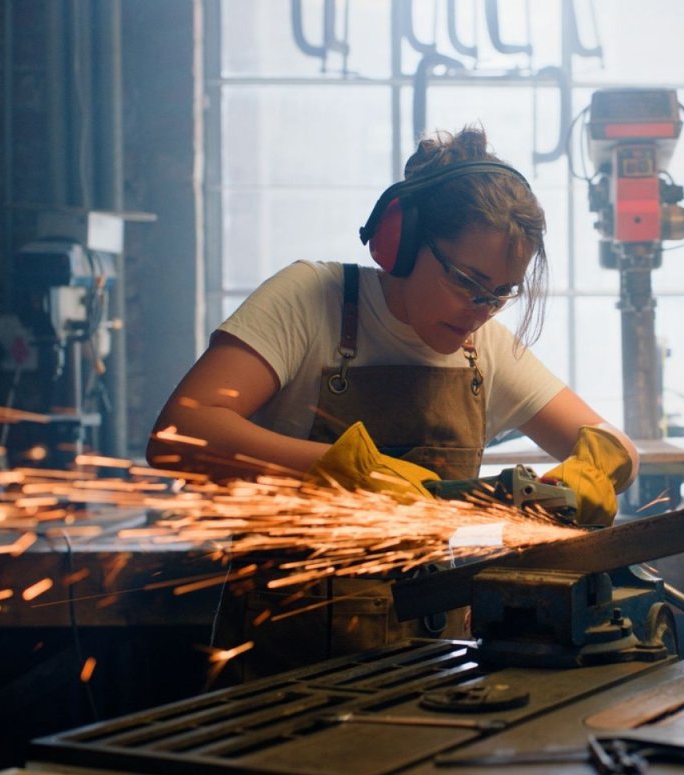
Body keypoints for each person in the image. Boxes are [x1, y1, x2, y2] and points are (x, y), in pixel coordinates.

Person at [147, 125, 638, 677]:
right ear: (399, 243)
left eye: (501, 293)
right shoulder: (313, 302)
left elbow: (613, 444)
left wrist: (596, 468)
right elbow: (180, 433)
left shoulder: (485, 350)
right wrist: (337, 470)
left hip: (436, 665)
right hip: (288, 666)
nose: (481, 309)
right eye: (466, 281)